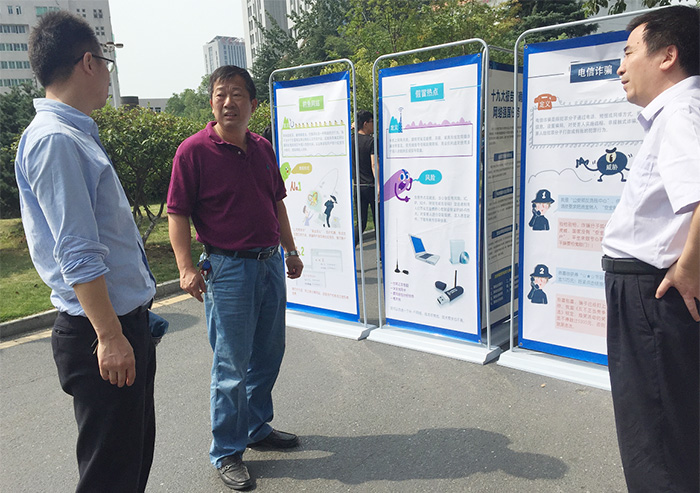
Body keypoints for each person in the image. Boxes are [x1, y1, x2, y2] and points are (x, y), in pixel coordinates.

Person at [14, 11, 157, 493]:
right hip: (101, 333)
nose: (109, 76)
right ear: (89, 62)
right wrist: (111, 335)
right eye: (107, 62)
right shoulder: (56, 140)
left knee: (128, 468)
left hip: (119, 325)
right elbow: (77, 252)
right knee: (110, 479)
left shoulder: (73, 134)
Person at [167, 65, 304, 491]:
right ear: (211, 102)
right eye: (221, 94)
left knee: (268, 353)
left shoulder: (262, 148)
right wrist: (186, 268)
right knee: (231, 365)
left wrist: (290, 250)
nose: (229, 103)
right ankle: (227, 450)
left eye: (238, 94)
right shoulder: (192, 152)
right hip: (227, 270)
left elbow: (276, 203)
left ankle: (256, 427)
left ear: (253, 104)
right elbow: (177, 213)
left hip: (268, 263)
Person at [601, 6, 700, 492]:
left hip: (653, 297)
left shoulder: (680, 114)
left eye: (629, 52)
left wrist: (688, 269)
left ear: (667, 55)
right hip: (652, 295)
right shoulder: (681, 113)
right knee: (672, 429)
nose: (621, 67)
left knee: (656, 438)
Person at [352, 110, 377, 244]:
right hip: (371, 186)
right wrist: (378, 185)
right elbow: (374, 164)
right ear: (365, 123)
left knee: (361, 222)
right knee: (378, 221)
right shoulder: (371, 141)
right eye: (372, 122)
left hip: (358, 186)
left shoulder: (351, 140)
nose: (374, 125)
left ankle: (352, 246)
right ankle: (381, 252)